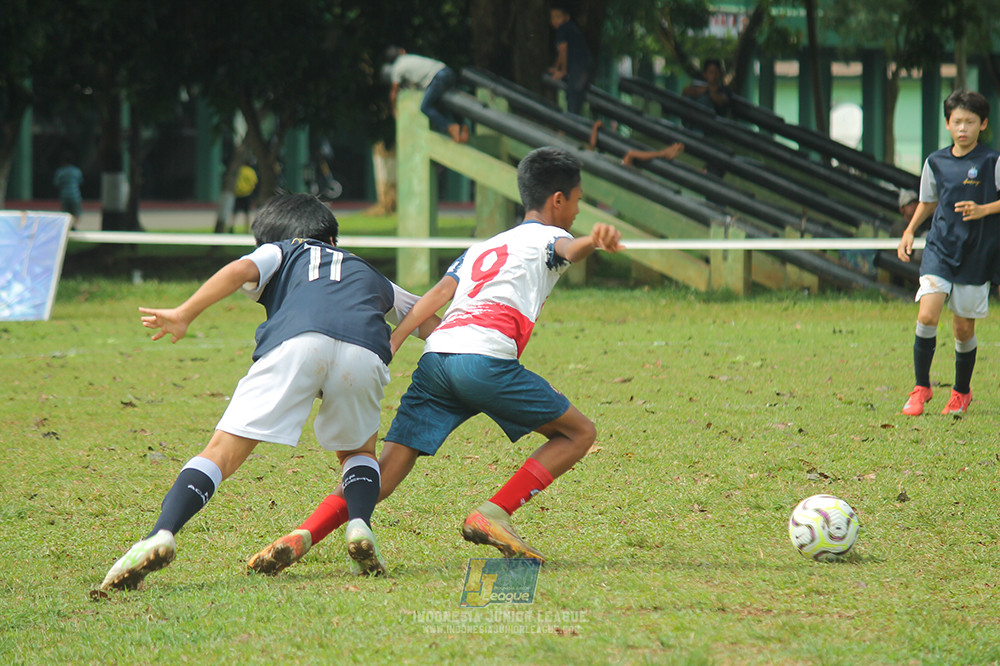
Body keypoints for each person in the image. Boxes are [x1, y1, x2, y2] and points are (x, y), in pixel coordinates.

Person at [246, 146, 623, 574]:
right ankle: (495, 512)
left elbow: (437, 295)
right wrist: (595, 241)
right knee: (578, 433)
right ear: (558, 199)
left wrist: (398, 338)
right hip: (483, 361)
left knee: (385, 468)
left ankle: (305, 533)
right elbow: (567, 251)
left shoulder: (484, 246)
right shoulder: (548, 237)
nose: (576, 210)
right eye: (576, 200)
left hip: (438, 358)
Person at [99, 193, 437, 590]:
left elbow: (239, 270)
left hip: (297, 343)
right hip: (365, 352)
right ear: (331, 240)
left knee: (221, 452)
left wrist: (183, 312)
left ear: (273, 239)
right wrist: (400, 341)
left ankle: (162, 532)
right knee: (358, 452)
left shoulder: (280, 251)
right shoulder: (369, 272)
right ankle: (360, 525)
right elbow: (426, 318)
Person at [896, 90, 1000, 416]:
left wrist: (983, 210)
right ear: (947, 124)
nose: (963, 128)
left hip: (977, 252)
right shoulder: (935, 161)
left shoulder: (992, 162)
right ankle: (921, 387)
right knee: (927, 314)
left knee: (962, 329)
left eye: (970, 122)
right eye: (957, 122)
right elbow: (928, 202)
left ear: (983, 124)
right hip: (940, 247)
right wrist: (910, 230)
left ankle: (961, 392)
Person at [385, 46, 468, 143]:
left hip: (437, 78)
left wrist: (394, 109)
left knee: (425, 107)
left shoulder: (397, 68)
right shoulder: (411, 57)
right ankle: (463, 127)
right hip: (447, 71)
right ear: (402, 52)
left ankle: (450, 127)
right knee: (448, 102)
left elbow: (394, 91)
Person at [548, 5, 591, 115]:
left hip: (578, 67)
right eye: (552, 17)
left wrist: (562, 71)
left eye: (558, 17)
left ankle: (571, 124)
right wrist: (555, 68)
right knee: (575, 94)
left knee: (573, 94)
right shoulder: (569, 28)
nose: (555, 21)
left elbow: (563, 51)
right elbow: (561, 53)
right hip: (583, 65)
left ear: (566, 17)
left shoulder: (563, 28)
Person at [53, 152, 84, 230]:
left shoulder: (60, 171)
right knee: (77, 212)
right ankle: (73, 226)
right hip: (75, 194)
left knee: (64, 213)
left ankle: (66, 227)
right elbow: (81, 181)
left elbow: (56, 183)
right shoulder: (77, 171)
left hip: (64, 194)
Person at [231, 162, 258, 233]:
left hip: (238, 193)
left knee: (234, 213)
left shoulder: (238, 170)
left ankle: (232, 226)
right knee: (247, 213)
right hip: (247, 193)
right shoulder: (250, 171)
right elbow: (254, 181)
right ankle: (246, 228)